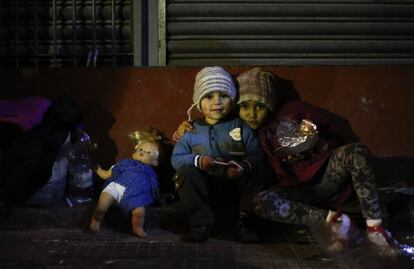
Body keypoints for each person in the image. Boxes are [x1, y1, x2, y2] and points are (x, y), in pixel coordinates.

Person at [174, 67, 399, 254]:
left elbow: (334, 125)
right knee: (262, 200)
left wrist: (316, 137)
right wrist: (186, 139)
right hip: (296, 190)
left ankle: (376, 229)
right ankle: (335, 221)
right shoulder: (251, 133)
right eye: (245, 106)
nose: (252, 113)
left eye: (259, 106)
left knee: (357, 152)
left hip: (326, 175)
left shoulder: (292, 112)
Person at [171, 66, 264, 243]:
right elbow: (176, 159)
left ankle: (245, 223)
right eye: (209, 96)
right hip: (205, 189)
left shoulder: (241, 126)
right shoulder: (191, 130)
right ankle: (201, 225)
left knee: (261, 172)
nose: (217, 102)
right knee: (186, 172)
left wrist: (243, 167)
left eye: (224, 95)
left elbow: (256, 154)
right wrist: (198, 160)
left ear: (233, 99)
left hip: (235, 188)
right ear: (198, 102)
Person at [89, 129, 162, 237]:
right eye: (140, 149)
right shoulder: (124, 163)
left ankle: (137, 228)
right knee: (102, 205)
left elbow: (154, 186)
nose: (142, 152)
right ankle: (96, 221)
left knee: (139, 212)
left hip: (135, 194)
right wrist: (98, 170)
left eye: (148, 153)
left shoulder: (150, 173)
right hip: (115, 187)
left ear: (155, 162)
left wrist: (157, 197)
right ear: (134, 152)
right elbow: (108, 174)